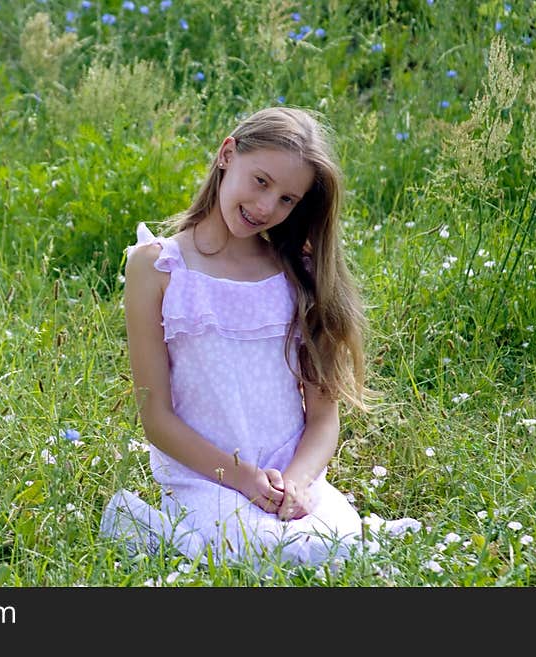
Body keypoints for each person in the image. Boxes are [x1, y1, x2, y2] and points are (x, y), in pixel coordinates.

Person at [100, 106, 416, 570]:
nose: (267, 207)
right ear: (228, 154)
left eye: (288, 199)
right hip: (209, 477)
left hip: (290, 480)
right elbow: (156, 418)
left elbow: (323, 417)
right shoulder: (158, 267)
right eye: (261, 181)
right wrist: (244, 479)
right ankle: (170, 529)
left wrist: (299, 483)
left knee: (339, 549)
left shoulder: (298, 273)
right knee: (254, 556)